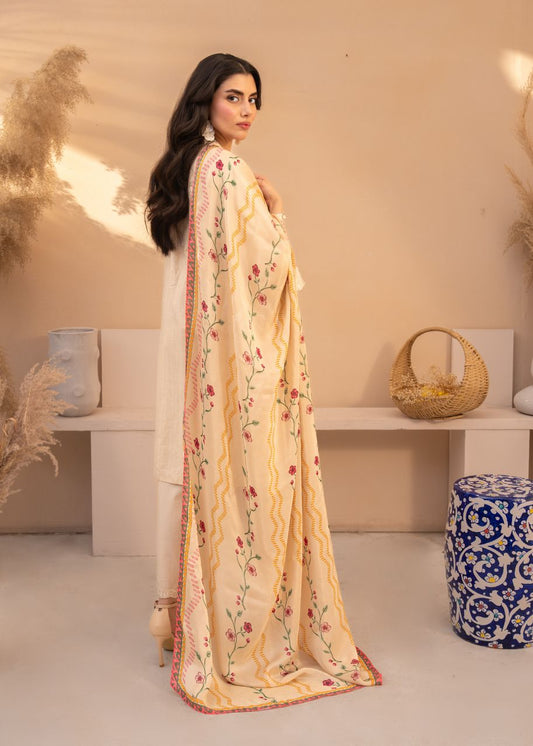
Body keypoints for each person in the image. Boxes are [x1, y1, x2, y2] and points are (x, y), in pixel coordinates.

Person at [146, 52, 381, 713]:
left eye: (253, 99)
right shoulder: (226, 170)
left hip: (188, 350)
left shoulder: (185, 169)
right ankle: (234, 633)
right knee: (250, 484)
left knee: (193, 475)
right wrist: (277, 211)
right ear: (204, 100)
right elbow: (268, 269)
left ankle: (174, 614)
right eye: (233, 96)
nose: (246, 110)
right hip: (230, 360)